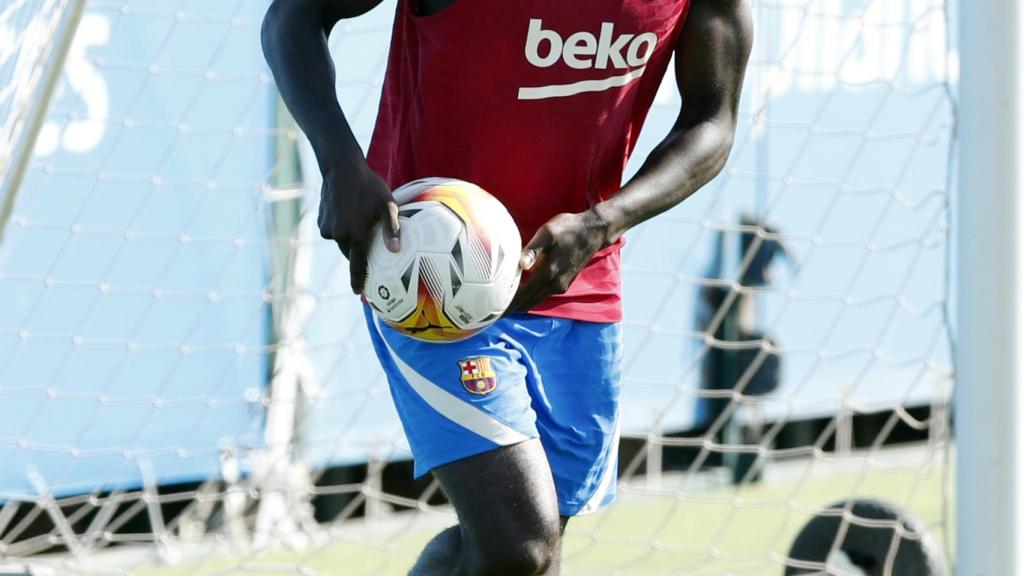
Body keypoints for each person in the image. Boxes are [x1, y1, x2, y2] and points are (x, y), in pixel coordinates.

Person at [262, 0, 752, 573]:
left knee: (513, 553)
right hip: (429, 277)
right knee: (520, 544)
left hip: (575, 274)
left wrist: (604, 222)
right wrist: (340, 162)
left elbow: (712, 122)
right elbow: (292, 18)